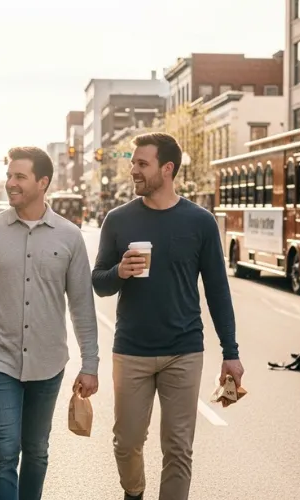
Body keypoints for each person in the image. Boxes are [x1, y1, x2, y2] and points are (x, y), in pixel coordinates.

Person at [0, 147, 99, 499]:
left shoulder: (69, 236)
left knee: (36, 452)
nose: (10, 183)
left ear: (43, 182)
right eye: (9, 175)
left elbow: (82, 305)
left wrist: (90, 363)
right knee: (5, 451)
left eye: (19, 177)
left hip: (48, 362)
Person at [91, 132, 244, 500]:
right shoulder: (118, 220)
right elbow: (99, 282)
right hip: (131, 350)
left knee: (178, 449)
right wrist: (119, 273)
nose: (133, 171)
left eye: (141, 164)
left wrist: (231, 351)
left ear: (167, 168)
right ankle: (135, 492)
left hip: (184, 349)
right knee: (126, 443)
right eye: (133, 163)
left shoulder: (201, 222)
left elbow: (218, 291)